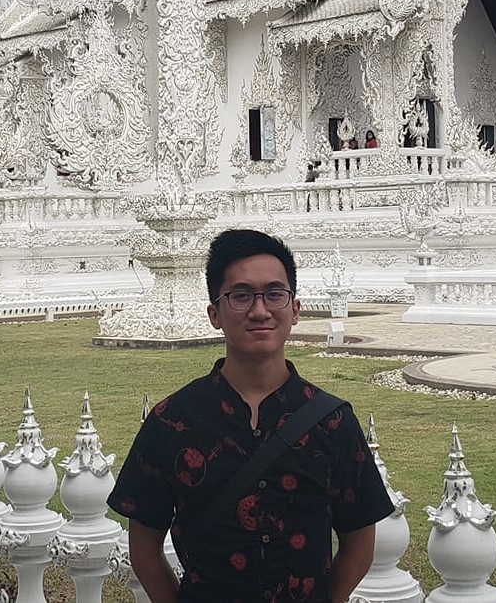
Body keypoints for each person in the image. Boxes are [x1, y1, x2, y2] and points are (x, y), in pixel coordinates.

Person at [109, 229, 393, 602]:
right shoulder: (172, 421)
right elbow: (144, 547)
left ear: (294, 308)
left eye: (274, 294)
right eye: (241, 296)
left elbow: (359, 543)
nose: (260, 311)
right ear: (215, 314)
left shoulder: (332, 422)